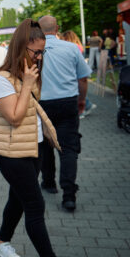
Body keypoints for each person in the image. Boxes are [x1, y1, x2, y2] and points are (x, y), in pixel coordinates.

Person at [0, 18, 90, 257]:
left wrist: (30, 80)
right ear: (21, 48)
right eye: (36, 52)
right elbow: (15, 117)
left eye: (42, 52)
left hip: (33, 147)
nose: (41, 57)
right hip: (11, 153)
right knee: (35, 206)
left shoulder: (24, 75)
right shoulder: (0, 80)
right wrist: (29, 83)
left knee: (17, 199)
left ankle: (0, 243)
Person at [38, 16, 91, 211]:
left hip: (42, 104)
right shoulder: (71, 48)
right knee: (68, 148)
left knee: (44, 144)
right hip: (68, 102)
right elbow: (83, 79)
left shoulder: (32, 50)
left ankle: (49, 182)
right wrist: (82, 100)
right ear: (57, 28)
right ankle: (69, 195)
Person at [62, 30, 96, 118]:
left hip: (75, 71)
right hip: (78, 71)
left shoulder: (72, 47)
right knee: (79, 90)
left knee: (77, 91)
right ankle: (87, 105)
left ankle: (83, 109)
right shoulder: (78, 46)